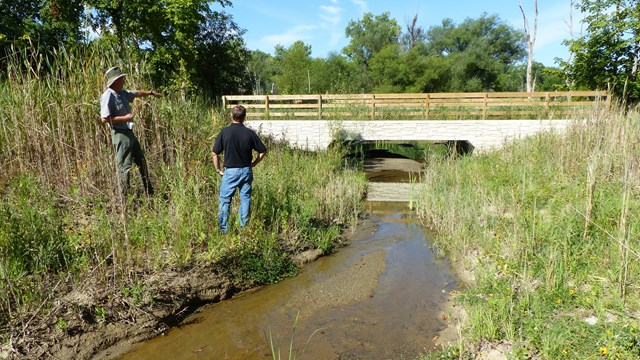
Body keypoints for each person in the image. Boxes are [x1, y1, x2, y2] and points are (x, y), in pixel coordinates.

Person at [100, 66, 162, 199]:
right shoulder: (108, 96)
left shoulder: (121, 92)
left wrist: (151, 93)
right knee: (124, 167)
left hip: (129, 133)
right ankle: (124, 198)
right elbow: (104, 118)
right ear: (115, 80)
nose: (124, 80)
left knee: (141, 161)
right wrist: (125, 118)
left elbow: (136, 93)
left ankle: (149, 192)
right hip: (120, 134)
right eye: (122, 78)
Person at [212, 105, 267, 233]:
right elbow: (263, 151)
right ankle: (243, 228)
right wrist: (254, 163)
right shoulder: (249, 133)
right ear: (244, 117)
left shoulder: (224, 132)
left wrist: (218, 169)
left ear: (232, 115)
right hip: (246, 171)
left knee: (225, 200)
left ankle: (224, 230)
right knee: (245, 199)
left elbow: (215, 153)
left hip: (230, 171)